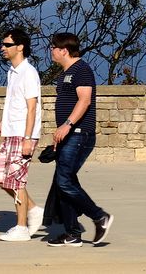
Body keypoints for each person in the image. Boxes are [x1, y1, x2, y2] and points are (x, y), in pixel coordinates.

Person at [46, 32, 114, 247]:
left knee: (64, 181)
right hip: (68, 136)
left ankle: (99, 216)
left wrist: (67, 125)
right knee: (64, 182)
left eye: (53, 47)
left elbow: (84, 101)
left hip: (79, 135)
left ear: (64, 50)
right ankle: (73, 233)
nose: (51, 50)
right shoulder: (65, 73)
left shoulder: (81, 70)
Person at [0, 27, 43, 242]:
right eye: (3, 45)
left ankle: (21, 227)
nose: (3, 48)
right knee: (1, 179)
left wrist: (29, 139)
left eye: (7, 45)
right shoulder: (12, 73)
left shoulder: (28, 73)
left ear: (20, 47)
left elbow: (32, 108)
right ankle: (33, 210)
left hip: (23, 134)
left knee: (17, 182)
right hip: (10, 133)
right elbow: (11, 104)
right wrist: (0, 129)